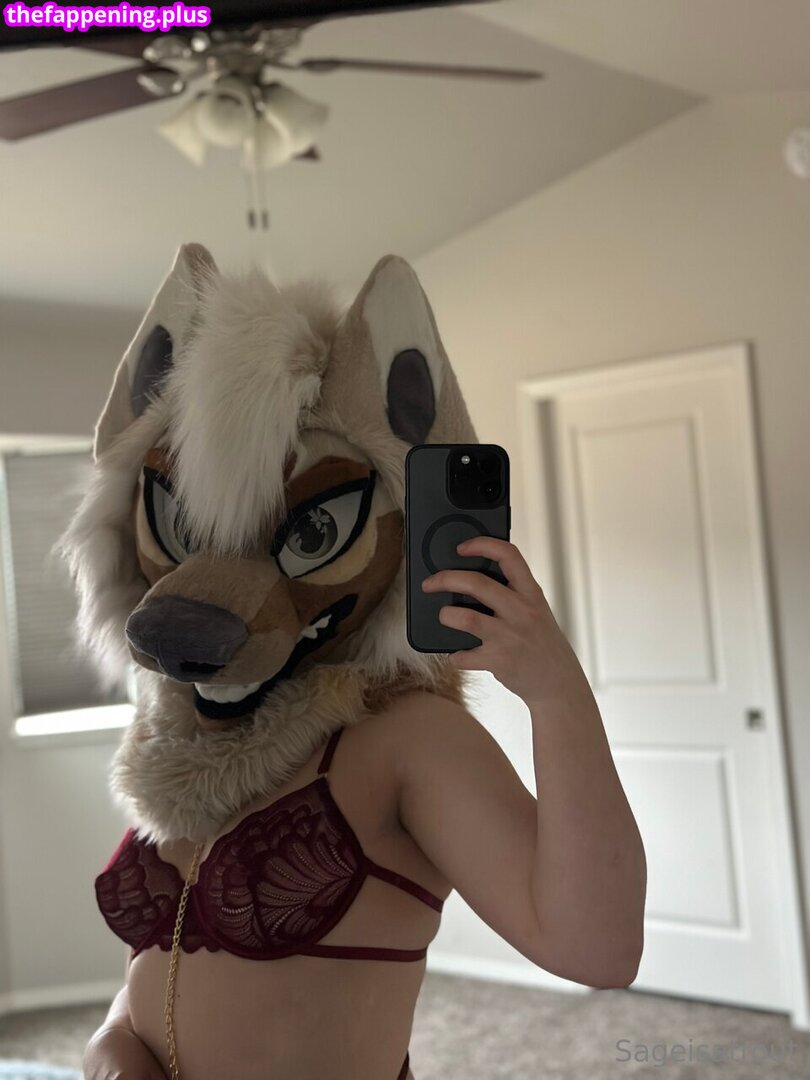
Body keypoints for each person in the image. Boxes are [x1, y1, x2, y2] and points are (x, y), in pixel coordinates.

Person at [62, 246, 646, 1080]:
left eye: (311, 531)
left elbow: (598, 949)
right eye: (189, 525)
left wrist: (557, 694)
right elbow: (152, 980)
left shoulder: (407, 738)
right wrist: (112, 1050)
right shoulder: (182, 734)